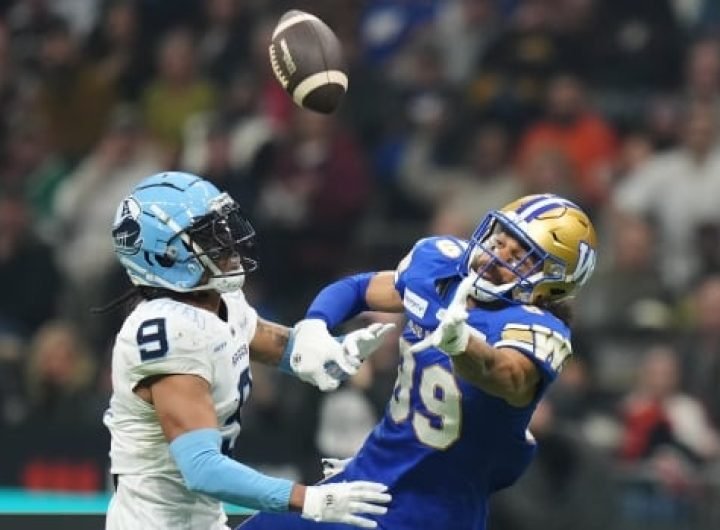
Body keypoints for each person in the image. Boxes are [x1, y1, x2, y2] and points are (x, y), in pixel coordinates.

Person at [238, 193, 598, 529]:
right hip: (369, 476)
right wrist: (316, 324)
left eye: (519, 256)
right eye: (500, 240)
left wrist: (462, 344)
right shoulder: (444, 266)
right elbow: (360, 289)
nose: (495, 257)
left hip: (434, 510)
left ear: (553, 282)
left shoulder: (537, 329)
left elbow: (504, 375)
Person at [103, 171, 394, 530]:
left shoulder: (218, 299)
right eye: (208, 234)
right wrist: (310, 499)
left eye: (222, 226)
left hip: (202, 519)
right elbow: (203, 469)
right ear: (164, 255)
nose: (226, 241)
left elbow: (281, 349)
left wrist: (331, 351)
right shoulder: (168, 330)